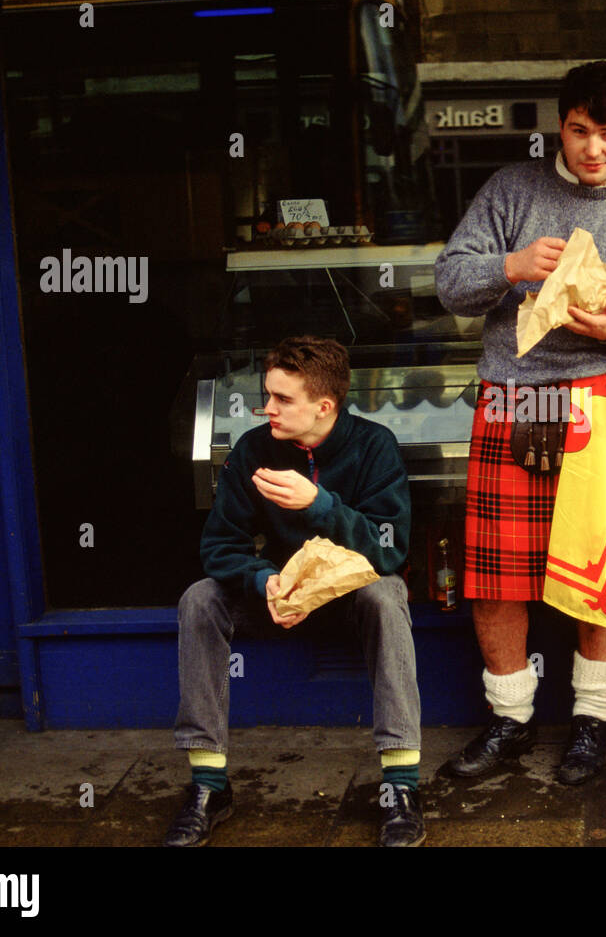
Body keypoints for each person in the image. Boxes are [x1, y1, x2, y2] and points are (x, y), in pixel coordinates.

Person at [434, 60, 606, 784]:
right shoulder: (510, 191)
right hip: (510, 403)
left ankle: (590, 720)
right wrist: (512, 265)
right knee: (495, 579)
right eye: (580, 131)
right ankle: (510, 721)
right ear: (561, 125)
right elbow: (449, 282)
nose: (592, 149)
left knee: (602, 574)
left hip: (605, 408)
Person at [164, 336, 423, 847]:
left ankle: (401, 785)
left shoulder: (374, 446)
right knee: (199, 599)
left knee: (387, 595)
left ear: (324, 406)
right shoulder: (254, 448)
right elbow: (219, 545)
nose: (268, 408)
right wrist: (264, 581)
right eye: (267, 394)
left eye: (283, 399)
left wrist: (321, 504)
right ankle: (209, 785)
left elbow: (389, 551)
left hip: (351, 599)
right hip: (277, 598)